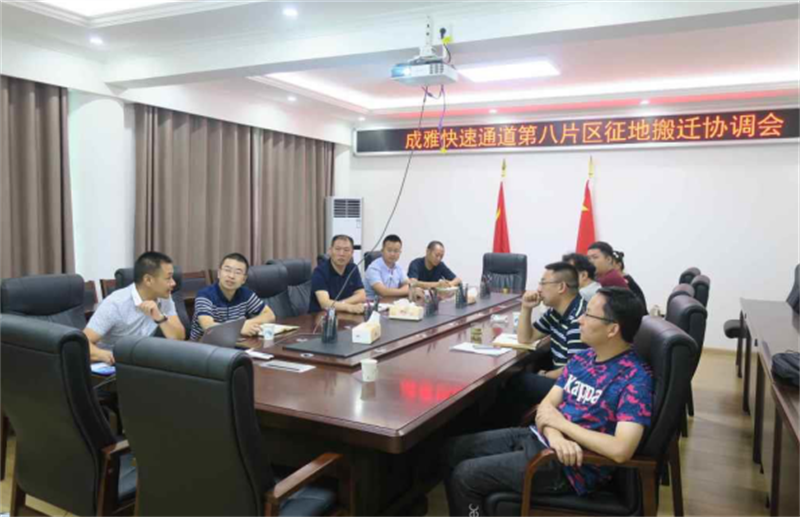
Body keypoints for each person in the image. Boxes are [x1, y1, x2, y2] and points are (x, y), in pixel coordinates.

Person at [442, 288, 652, 517]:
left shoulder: (634, 379)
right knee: (452, 450)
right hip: (543, 439)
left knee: (466, 476)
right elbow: (546, 406)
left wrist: (561, 426)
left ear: (612, 329)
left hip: (570, 467)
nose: (580, 320)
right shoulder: (584, 358)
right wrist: (555, 435)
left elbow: (621, 449)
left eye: (589, 315)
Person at [84, 251, 186, 364]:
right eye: (168, 278)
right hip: (110, 365)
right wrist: (106, 355)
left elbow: (179, 337)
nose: (173, 283)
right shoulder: (115, 304)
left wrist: (160, 318)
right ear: (148, 280)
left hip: (138, 361)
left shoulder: (164, 298)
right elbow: (83, 343)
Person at [509, 262, 588, 407]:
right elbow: (526, 338)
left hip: (572, 386)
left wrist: (546, 375)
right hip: (561, 377)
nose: (538, 289)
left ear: (561, 287)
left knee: (517, 382)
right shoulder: (556, 312)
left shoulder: (578, 319)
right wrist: (526, 308)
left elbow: (574, 370)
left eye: (543, 283)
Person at [190, 253, 276, 341]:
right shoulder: (205, 295)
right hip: (202, 345)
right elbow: (208, 326)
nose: (231, 276)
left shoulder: (246, 294)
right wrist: (238, 328)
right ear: (219, 273)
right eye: (227, 270)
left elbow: (269, 315)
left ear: (243, 279)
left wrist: (246, 324)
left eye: (238, 272)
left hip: (233, 343)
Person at [309, 234, 367, 314]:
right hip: (321, 317)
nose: (341, 254)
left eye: (346, 250)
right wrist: (349, 307)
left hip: (344, 315)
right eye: (337, 249)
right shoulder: (319, 272)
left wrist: (340, 304)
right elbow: (324, 303)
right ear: (330, 251)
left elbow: (361, 296)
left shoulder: (353, 268)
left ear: (352, 252)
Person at [365, 234, 410, 299]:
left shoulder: (398, 267)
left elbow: (408, 285)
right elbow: (383, 292)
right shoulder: (373, 268)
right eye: (389, 250)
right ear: (382, 251)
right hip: (373, 303)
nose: (392, 254)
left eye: (396, 251)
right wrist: (404, 291)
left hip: (392, 301)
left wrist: (407, 289)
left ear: (400, 252)